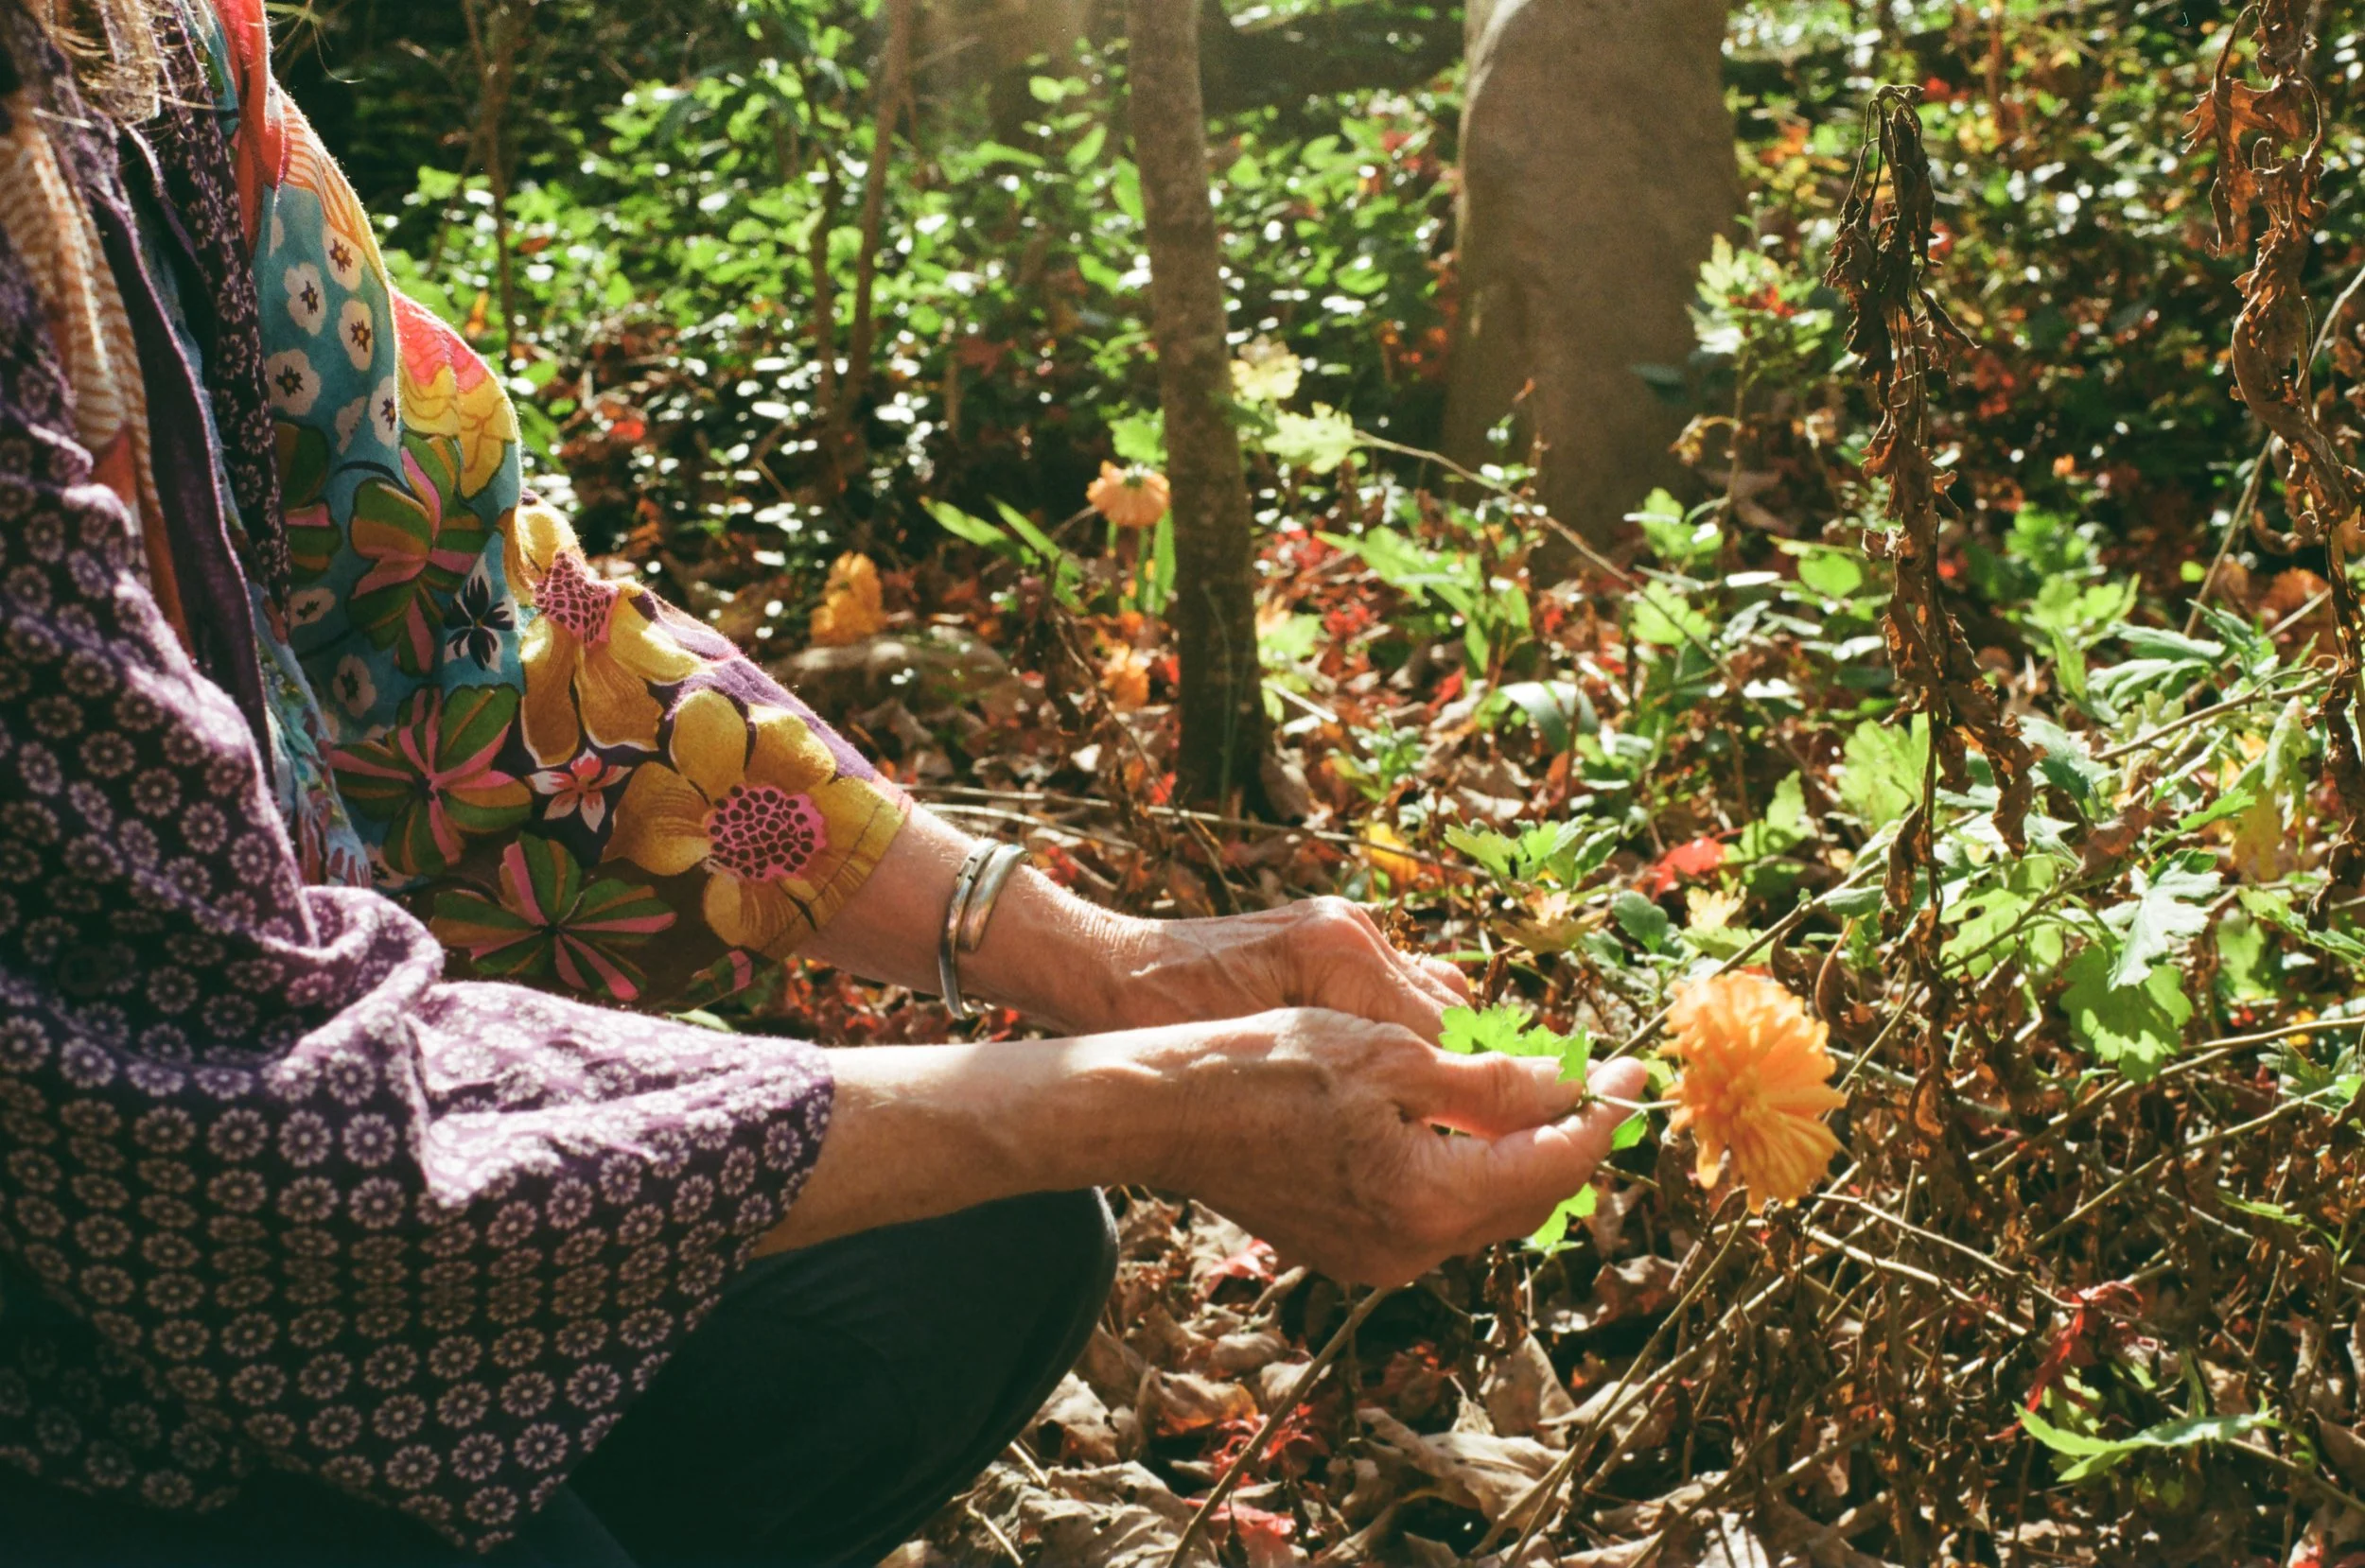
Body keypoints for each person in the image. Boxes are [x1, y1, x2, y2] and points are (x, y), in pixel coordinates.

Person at [0, 0, 1645, 1561]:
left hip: (294, 1196)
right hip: (105, 1323)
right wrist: (1151, 1097)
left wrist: (1109, 964)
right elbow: (230, 1117)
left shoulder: (154, 60)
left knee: (952, 1266)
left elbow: (461, 617)